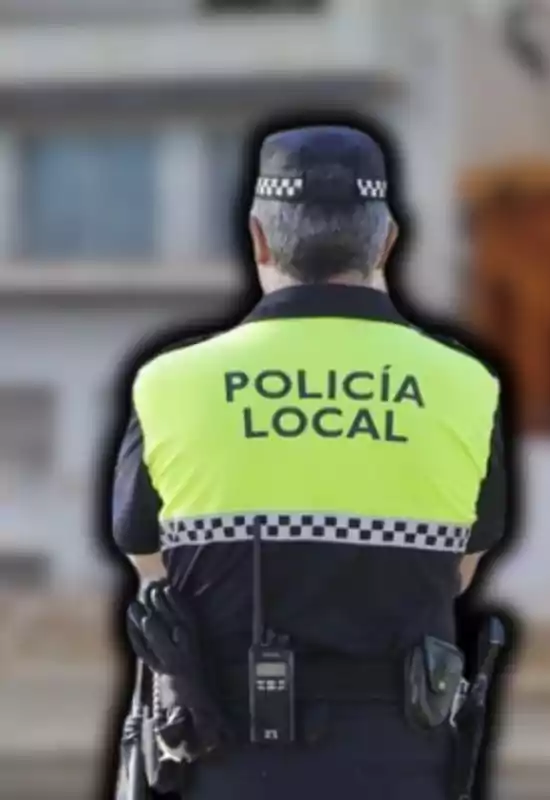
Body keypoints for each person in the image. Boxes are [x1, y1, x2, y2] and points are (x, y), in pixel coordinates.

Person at [110, 125, 511, 800]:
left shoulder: (167, 385)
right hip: (400, 764)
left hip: (220, 760)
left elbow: (154, 574)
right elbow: (457, 573)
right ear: (386, 242)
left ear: (258, 238)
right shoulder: (466, 386)